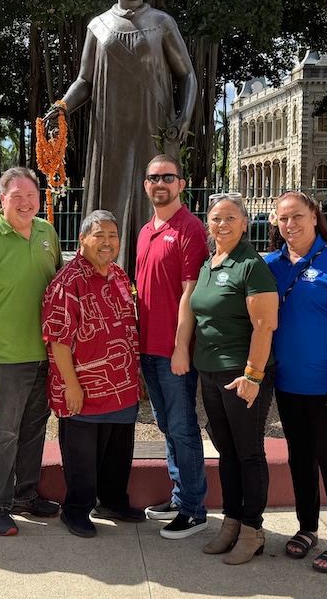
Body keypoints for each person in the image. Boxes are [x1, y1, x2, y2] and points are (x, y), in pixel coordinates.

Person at [47, 0, 198, 272]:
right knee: (110, 197)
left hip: (153, 126)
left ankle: (150, 270)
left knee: (152, 196)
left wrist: (183, 118)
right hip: (110, 130)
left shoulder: (162, 22)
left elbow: (187, 75)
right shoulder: (98, 26)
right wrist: (62, 107)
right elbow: (84, 81)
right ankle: (105, 273)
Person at [264, 190, 327, 574]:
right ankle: (307, 527)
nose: (290, 224)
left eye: (297, 216)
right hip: (288, 385)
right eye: (283, 218)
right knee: (300, 460)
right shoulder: (272, 264)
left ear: (313, 216)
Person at [0, 167, 63, 536]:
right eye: (16, 196)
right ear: (2, 199)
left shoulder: (47, 232)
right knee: (6, 431)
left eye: (31, 195)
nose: (24, 202)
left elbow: (59, 286)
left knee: (35, 426)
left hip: (43, 352)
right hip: (6, 356)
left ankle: (25, 494)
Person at [180, 193, 278, 564]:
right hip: (210, 373)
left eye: (231, 218)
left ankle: (253, 530)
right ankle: (232, 522)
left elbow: (265, 325)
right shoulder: (209, 263)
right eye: (216, 218)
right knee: (226, 452)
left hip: (242, 375)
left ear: (245, 223)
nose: (222, 224)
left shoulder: (251, 265)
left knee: (248, 453)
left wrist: (253, 374)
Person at [41, 210, 143, 538]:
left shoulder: (119, 275)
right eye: (99, 235)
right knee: (82, 458)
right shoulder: (67, 282)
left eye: (113, 235)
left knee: (118, 452)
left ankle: (112, 501)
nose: (107, 242)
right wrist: (71, 385)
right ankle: (76, 510)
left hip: (122, 385)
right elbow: (57, 340)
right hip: (84, 388)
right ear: (82, 239)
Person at [135, 154, 210, 539]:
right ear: (145, 185)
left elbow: (190, 292)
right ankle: (181, 496)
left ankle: (195, 510)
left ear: (181, 184)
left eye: (168, 177)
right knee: (167, 425)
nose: (160, 183)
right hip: (148, 348)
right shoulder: (145, 231)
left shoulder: (190, 228)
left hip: (172, 350)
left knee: (182, 428)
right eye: (153, 178)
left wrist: (182, 347)